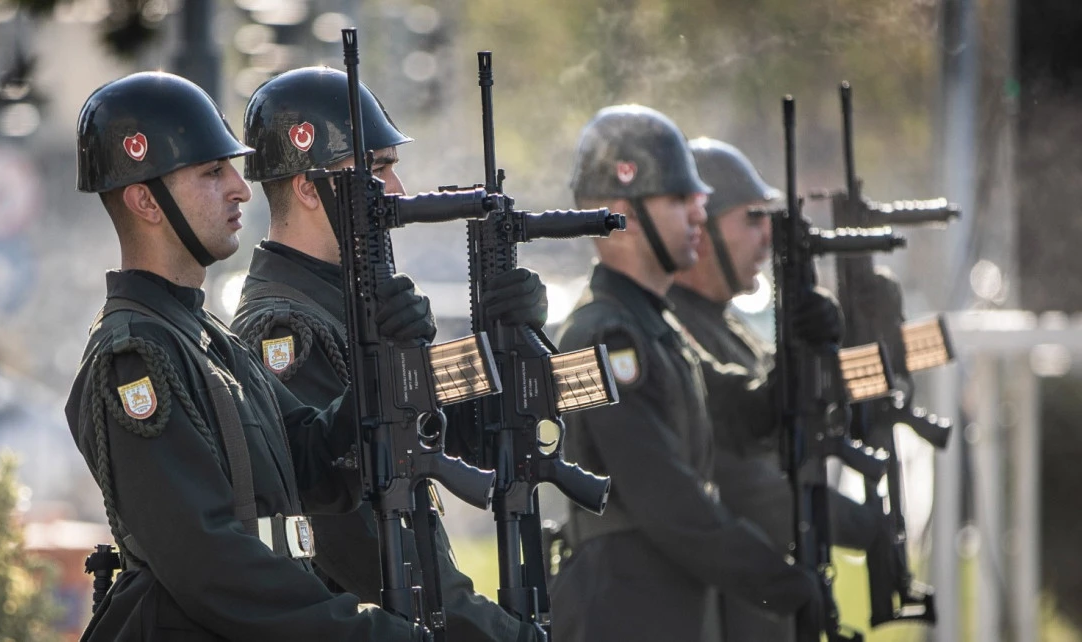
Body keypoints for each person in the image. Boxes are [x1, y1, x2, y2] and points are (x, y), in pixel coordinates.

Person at [65, 71, 434, 641]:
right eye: (213, 172)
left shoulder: (203, 335)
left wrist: (387, 365)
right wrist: (366, 633)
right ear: (145, 200)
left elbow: (311, 462)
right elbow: (208, 562)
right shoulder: (135, 355)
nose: (241, 188)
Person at [231, 66, 546, 642]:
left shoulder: (353, 306)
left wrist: (508, 340)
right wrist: (496, 634)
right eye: (377, 168)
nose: (396, 191)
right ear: (308, 188)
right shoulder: (286, 328)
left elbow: (463, 438)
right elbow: (356, 538)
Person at [549, 105, 834, 641]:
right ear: (623, 215)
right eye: (680, 199)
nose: (699, 216)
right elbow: (668, 503)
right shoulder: (599, 339)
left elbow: (744, 417)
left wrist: (805, 345)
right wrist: (783, 586)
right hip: (620, 619)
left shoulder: (655, 330)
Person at [671, 137, 884, 641]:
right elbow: (741, 478)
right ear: (701, 230)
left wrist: (833, 346)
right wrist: (855, 525)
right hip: (724, 609)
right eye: (752, 218)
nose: (767, 236)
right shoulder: (678, 328)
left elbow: (796, 414)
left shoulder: (723, 326)